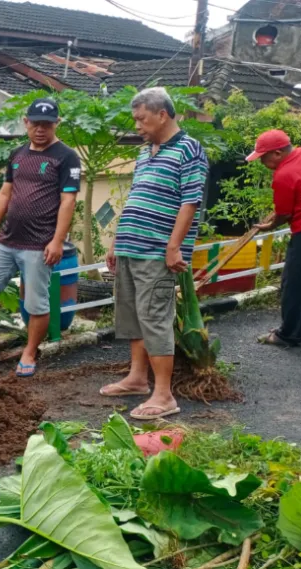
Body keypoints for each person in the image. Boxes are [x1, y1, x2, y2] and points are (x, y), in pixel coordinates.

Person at [101, 87, 209, 420]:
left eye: (141, 119)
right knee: (133, 316)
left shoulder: (190, 150)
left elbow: (190, 201)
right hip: (131, 245)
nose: (137, 126)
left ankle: (164, 396)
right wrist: (116, 241)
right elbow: (136, 196)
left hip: (157, 250)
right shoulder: (147, 151)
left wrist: (174, 246)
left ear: (162, 114)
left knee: (156, 318)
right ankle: (137, 378)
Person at [0, 98, 81, 378]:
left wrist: (57, 241)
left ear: (56, 124)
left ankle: (29, 351)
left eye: (47, 124)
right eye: (35, 123)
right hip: (7, 240)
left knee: (36, 303)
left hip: (39, 245)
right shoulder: (17, 154)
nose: (40, 129)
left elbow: (68, 201)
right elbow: (5, 193)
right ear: (26, 123)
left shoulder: (66, 157)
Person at [246, 130, 301, 346]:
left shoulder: (283, 175)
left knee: (294, 283)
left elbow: (284, 214)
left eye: (263, 157)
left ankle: (288, 334)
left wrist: (269, 226)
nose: (262, 162)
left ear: (277, 153)